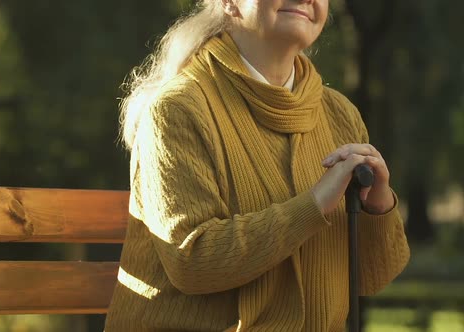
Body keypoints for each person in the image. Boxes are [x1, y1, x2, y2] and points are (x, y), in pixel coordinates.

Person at [105, 0, 410, 330]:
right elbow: (191, 263)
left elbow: (373, 277)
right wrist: (314, 205)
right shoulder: (178, 109)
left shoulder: (340, 114)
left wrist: (377, 207)